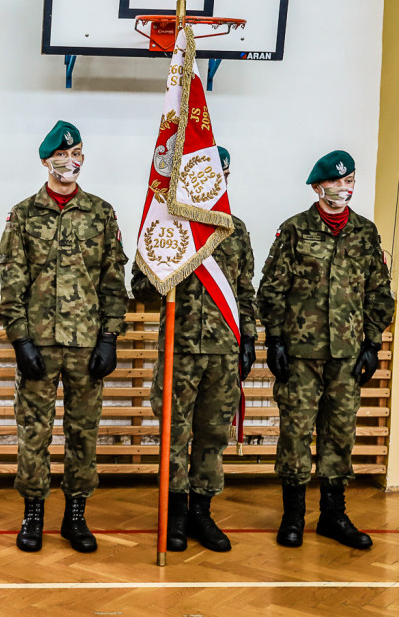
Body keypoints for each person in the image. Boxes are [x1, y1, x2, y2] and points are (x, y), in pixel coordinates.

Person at [0, 120, 127, 553]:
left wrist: (109, 338)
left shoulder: (102, 213)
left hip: (87, 345)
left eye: (77, 155)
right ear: (45, 161)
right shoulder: (23, 214)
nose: (69, 162)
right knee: (32, 432)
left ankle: (76, 515)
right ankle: (33, 513)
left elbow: (113, 281)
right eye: (61, 156)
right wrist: (20, 341)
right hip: (39, 343)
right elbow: (11, 283)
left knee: (82, 431)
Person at [257, 150, 394, 549]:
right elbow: (273, 290)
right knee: (296, 434)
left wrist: (372, 342)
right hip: (300, 356)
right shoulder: (295, 230)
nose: (345, 187)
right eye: (336, 182)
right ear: (318, 187)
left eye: (350, 180)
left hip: (347, 355)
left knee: (339, 435)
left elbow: (379, 294)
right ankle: (294, 517)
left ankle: (334, 516)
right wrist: (276, 340)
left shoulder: (366, 234)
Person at [130, 146, 256, 553]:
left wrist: (249, 337)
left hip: (223, 352)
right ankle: (175, 515)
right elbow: (141, 288)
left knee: (212, 436)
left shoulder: (236, 230)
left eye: (221, 177)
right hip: (179, 351)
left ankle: (201, 512)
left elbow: (246, 293)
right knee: (173, 435)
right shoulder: (167, 226)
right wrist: (164, 256)